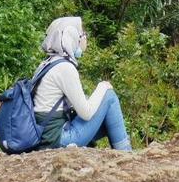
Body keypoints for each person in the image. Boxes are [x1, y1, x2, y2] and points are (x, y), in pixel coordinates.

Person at [33, 16, 132, 151]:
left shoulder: (47, 64)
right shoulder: (65, 68)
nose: (85, 38)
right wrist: (102, 87)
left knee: (107, 116)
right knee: (109, 97)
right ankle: (127, 154)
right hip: (59, 139)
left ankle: (124, 153)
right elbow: (86, 113)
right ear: (72, 37)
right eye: (82, 35)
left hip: (45, 136)